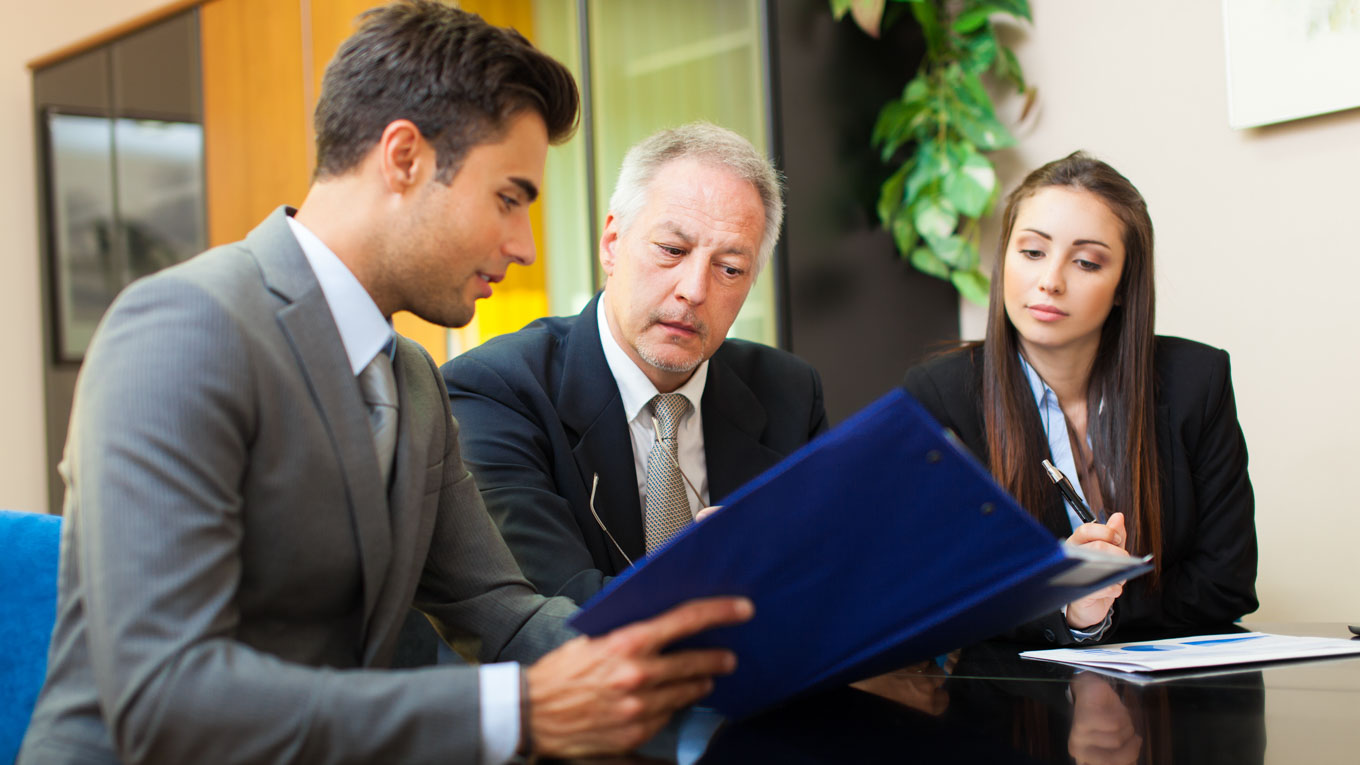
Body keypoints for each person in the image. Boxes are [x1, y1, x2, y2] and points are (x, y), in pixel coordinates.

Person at [18, 4, 752, 764]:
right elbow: (165, 694)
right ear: (403, 157)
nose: (523, 246)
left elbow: (498, 609)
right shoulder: (182, 327)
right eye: (509, 198)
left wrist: (683, 650)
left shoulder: (410, 378)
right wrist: (517, 709)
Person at [441, 123, 828, 603]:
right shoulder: (496, 390)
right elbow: (554, 611)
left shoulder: (788, 390)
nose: (694, 290)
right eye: (672, 250)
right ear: (612, 243)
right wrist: (706, 577)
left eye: (729, 268)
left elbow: (824, 582)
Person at [903, 151, 1257, 645]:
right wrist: (1071, 606)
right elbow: (943, 595)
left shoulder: (1198, 379)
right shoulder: (938, 397)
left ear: (1121, 288)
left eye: (1087, 261)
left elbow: (1226, 586)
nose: (1051, 280)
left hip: (1175, 696)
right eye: (1032, 252)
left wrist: (1091, 603)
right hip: (1016, 706)